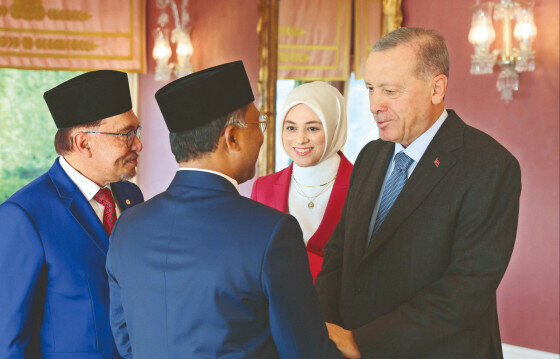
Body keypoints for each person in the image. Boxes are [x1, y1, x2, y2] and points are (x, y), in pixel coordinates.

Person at [106, 61, 344, 359]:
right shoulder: (271, 232)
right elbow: (306, 353)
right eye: (259, 125)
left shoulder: (128, 225)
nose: (262, 136)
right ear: (232, 138)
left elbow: (126, 342)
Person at [315, 27, 522, 359]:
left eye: (390, 91)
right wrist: (321, 328)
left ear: (436, 88)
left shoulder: (490, 165)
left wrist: (363, 342)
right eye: (369, 89)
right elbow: (338, 254)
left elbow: (464, 290)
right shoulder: (369, 156)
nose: (374, 105)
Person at [0, 70, 144, 359]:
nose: (138, 144)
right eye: (126, 134)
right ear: (83, 143)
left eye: (137, 131)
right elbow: (8, 341)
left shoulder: (130, 196)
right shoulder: (23, 215)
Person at [251, 81, 353, 282]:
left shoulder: (364, 184)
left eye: (312, 128)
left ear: (334, 127)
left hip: (342, 310)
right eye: (291, 128)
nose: (300, 139)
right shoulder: (263, 188)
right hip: (278, 309)